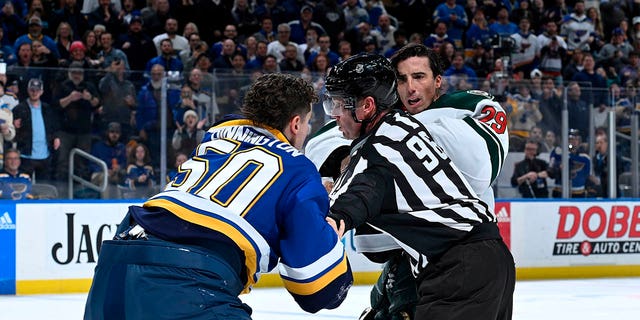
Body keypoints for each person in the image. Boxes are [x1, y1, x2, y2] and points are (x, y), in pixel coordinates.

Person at [84, 73, 353, 319]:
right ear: (295, 124)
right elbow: (317, 289)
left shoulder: (214, 138)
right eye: (307, 122)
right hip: (187, 281)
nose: (307, 130)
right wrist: (328, 230)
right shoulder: (299, 169)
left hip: (116, 264)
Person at [323, 53, 514, 320]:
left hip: (458, 269)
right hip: (489, 258)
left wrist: (329, 221)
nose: (334, 114)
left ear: (367, 106)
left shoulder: (376, 154)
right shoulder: (404, 126)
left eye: (340, 104)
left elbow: (354, 200)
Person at [12, 78, 59, 183]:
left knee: (43, 189)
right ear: (28, 90)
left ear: (41, 92)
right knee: (23, 187)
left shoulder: (47, 108)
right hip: (26, 155)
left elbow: (53, 126)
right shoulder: (19, 108)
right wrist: (14, 125)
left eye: (37, 90)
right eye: (32, 90)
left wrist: (55, 137)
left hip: (44, 155)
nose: (34, 92)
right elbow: (12, 131)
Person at [89, 122, 126, 199]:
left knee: (124, 175)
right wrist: (105, 170)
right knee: (105, 176)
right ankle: (105, 202)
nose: (114, 135)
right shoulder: (98, 146)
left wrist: (119, 167)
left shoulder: (121, 147)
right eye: (112, 132)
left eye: (117, 132)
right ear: (107, 133)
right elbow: (91, 165)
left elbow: (125, 163)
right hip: (99, 174)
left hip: (116, 174)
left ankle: (120, 203)